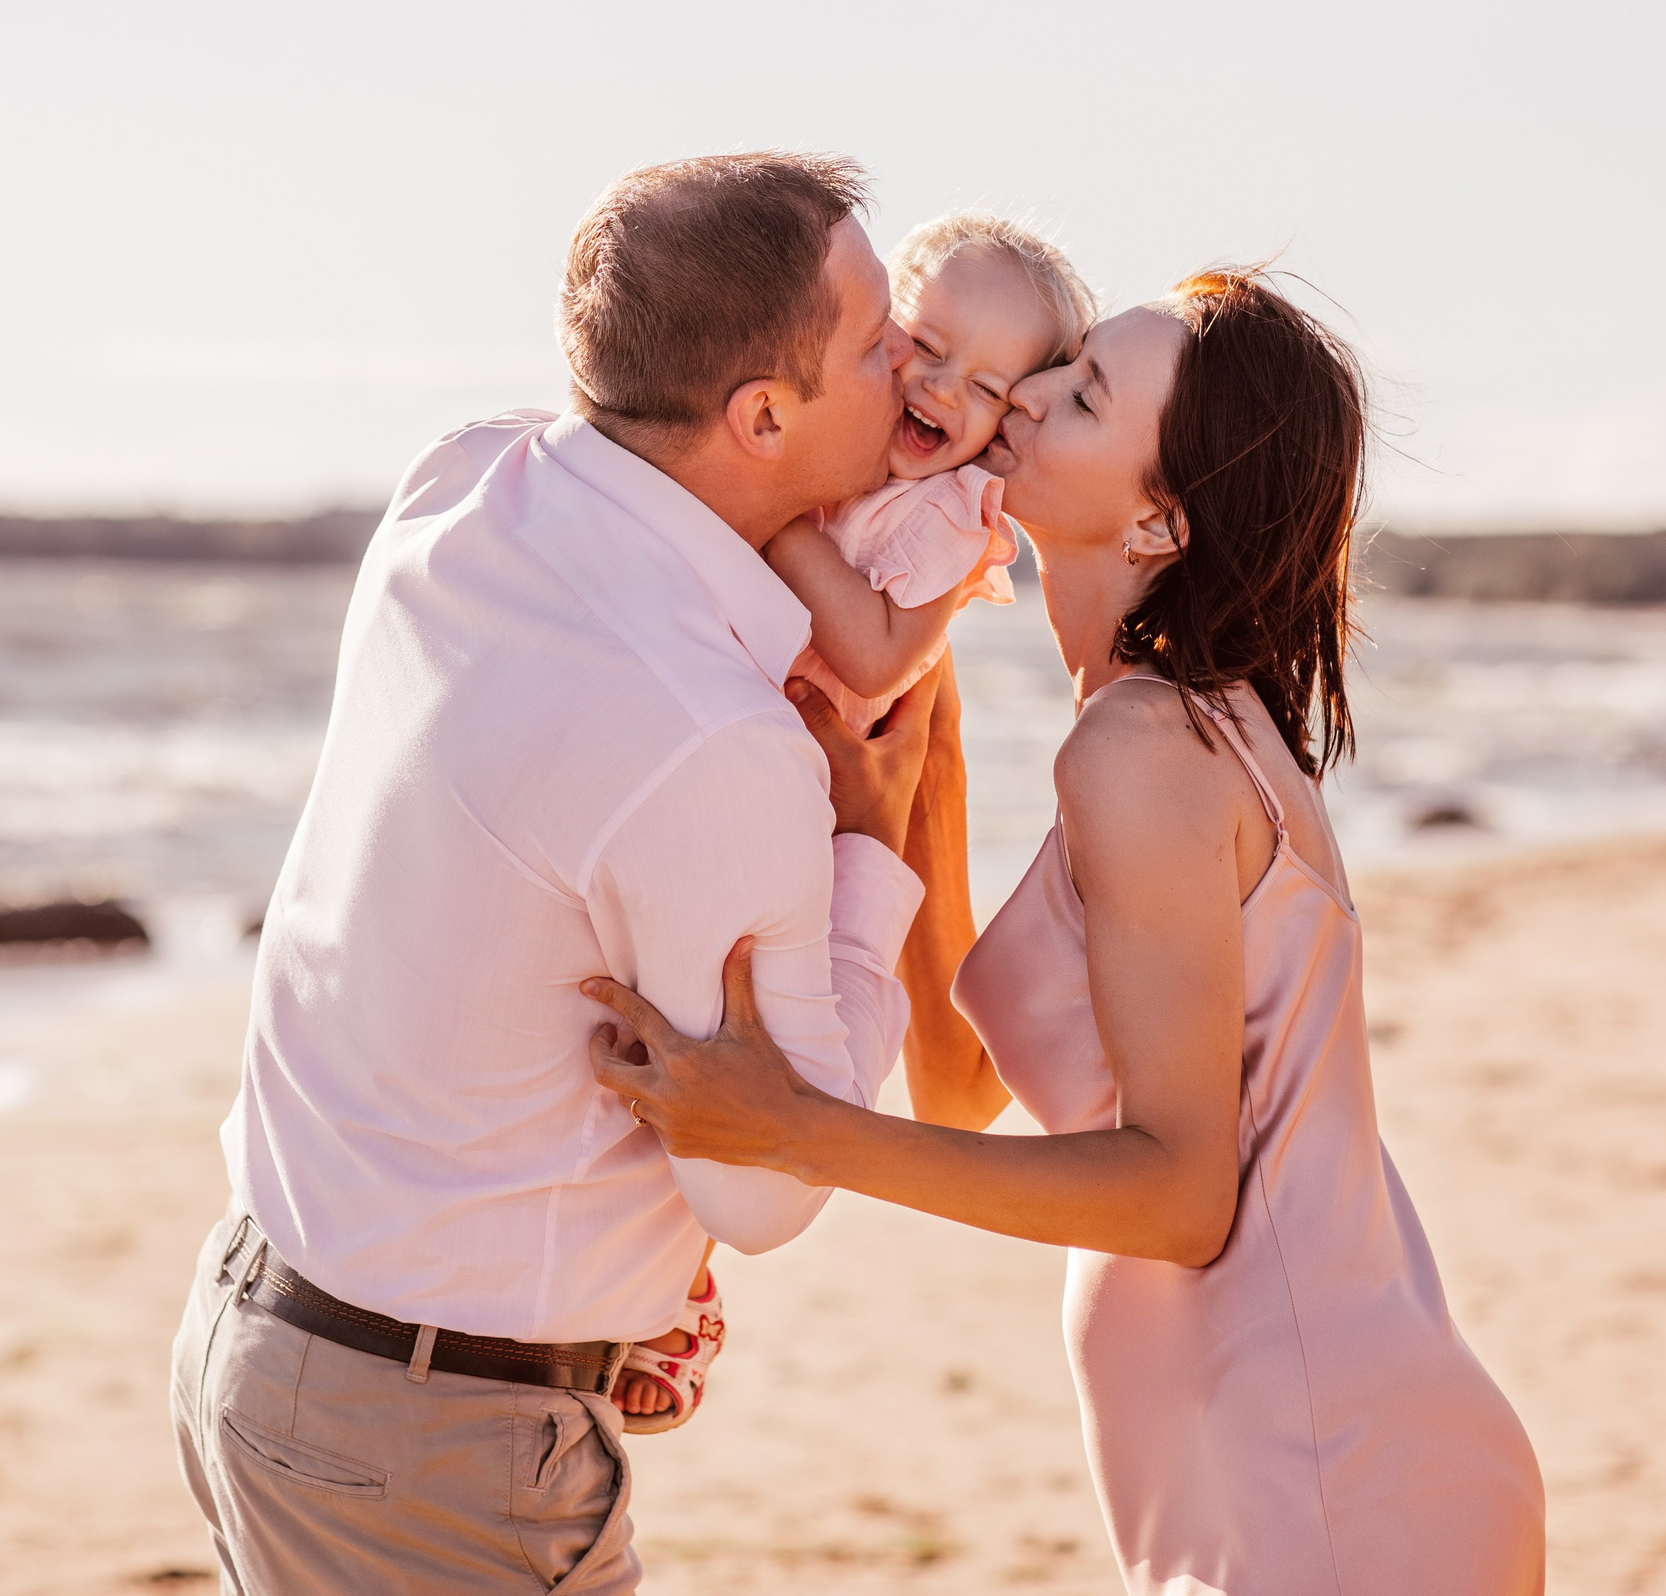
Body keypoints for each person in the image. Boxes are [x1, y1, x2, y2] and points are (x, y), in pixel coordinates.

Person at [586, 271, 1549, 1595]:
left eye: (1084, 393)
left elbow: (1176, 1190)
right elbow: (965, 1086)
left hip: (1320, 1483)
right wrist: (899, 809)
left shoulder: (1145, 747)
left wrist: (794, 1134)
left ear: (1158, 511)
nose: (1027, 395)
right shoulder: (1176, 725)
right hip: (1297, 1458)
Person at [166, 151, 942, 1596]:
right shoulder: (708, 741)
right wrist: (873, 845)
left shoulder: (462, 485)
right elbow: (769, 1188)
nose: (910, 364)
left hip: (257, 1335)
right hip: (427, 1443)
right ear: (761, 413)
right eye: (878, 339)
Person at [764, 212, 1094, 736]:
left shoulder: (950, 510)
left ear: (1007, 422)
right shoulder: (823, 428)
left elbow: (877, 661)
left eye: (986, 389)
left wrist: (776, 516)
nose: (943, 389)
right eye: (927, 349)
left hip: (805, 750)